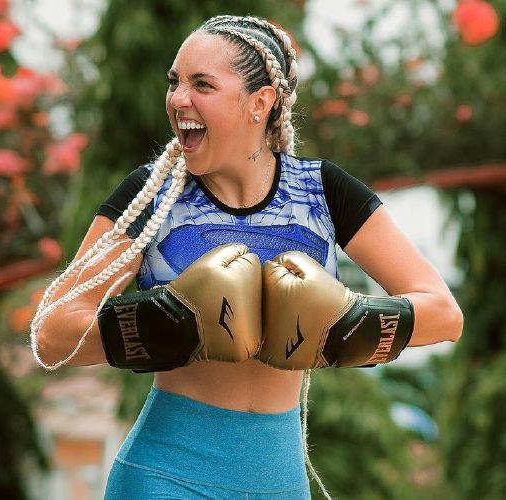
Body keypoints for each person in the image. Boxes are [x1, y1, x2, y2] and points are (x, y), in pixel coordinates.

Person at [30, 15, 463, 499]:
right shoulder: (153, 195)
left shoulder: (323, 192)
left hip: (281, 484)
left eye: (202, 84)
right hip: (164, 478)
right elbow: (53, 335)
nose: (178, 99)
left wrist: (347, 323)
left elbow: (444, 315)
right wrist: (163, 323)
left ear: (260, 102)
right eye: (174, 82)